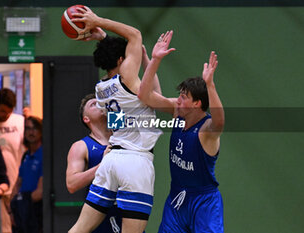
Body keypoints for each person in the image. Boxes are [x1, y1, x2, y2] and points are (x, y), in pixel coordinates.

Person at [68, 6, 162, 233]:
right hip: (135, 162)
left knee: (79, 228)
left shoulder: (101, 88)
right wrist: (96, 20)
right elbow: (135, 34)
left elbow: (152, 93)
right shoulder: (130, 81)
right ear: (122, 60)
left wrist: (104, 39)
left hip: (112, 161)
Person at [137, 31, 225, 232]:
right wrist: (153, 60)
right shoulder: (177, 112)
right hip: (177, 197)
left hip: (204, 202)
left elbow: (220, 122)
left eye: (184, 96)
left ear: (197, 103)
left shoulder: (206, 129)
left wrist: (210, 85)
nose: (178, 99)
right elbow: (146, 95)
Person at [66, 93, 124, 232]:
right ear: (86, 119)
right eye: (93, 104)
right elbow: (71, 184)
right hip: (100, 212)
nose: (99, 105)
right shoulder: (81, 146)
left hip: (126, 209)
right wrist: (101, 165)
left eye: (101, 102)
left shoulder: (122, 136)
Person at [0, 88, 25, 233]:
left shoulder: (20, 122)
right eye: (2, 111)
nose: (6, 115)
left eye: (9, 111)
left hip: (16, 185)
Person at [10, 116, 43, 233]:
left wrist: (19, 203)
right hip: (22, 210)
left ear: (40, 131)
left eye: (34, 128)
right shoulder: (26, 155)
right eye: (28, 128)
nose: (31, 132)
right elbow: (18, 183)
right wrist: (13, 208)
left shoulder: (44, 154)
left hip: (35, 211)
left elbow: (40, 192)